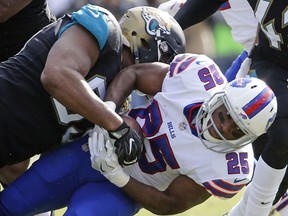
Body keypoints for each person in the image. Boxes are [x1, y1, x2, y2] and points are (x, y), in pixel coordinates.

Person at [0, 53, 277, 215]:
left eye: (237, 130)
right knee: (11, 204)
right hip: (91, 152)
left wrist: (120, 179)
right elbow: (132, 73)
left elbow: (169, 203)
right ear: (218, 98)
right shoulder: (196, 77)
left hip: (126, 191)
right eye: (226, 115)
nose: (225, 128)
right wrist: (107, 115)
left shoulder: (229, 169)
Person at [0, 3, 186, 186]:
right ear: (148, 41)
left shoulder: (117, 100)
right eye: (165, 59)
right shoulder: (104, 27)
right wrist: (117, 126)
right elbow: (56, 75)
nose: (161, 73)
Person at [169, 0, 288, 215]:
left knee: (280, 143)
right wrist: (172, 27)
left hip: (268, 60)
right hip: (268, 63)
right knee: (272, 135)